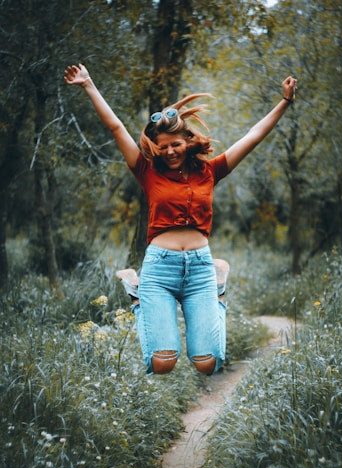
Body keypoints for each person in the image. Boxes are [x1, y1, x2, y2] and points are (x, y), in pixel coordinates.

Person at [64, 63, 297, 376]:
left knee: (208, 364)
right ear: (156, 150)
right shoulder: (147, 172)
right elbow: (116, 128)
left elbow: (252, 137)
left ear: (188, 140)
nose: (170, 151)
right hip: (160, 269)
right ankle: (138, 298)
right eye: (163, 147)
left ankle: (218, 292)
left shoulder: (210, 171)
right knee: (162, 364)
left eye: (176, 144)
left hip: (201, 268)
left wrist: (284, 102)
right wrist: (89, 84)